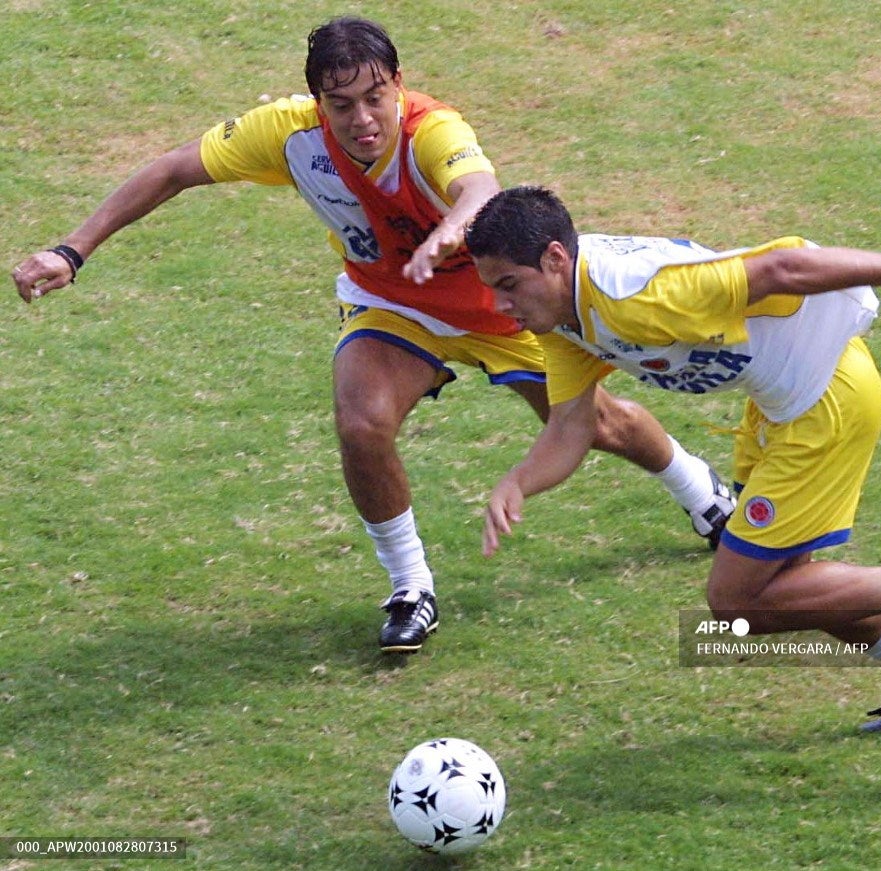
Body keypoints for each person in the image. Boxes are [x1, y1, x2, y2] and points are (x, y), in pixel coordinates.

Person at [10, 17, 734, 655]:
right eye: (342, 103)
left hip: (495, 307)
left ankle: (700, 490)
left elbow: (480, 192)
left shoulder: (434, 132)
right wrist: (72, 250)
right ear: (318, 101)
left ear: (398, 86)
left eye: (375, 97)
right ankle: (409, 586)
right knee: (362, 420)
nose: (362, 118)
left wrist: (451, 230)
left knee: (593, 422)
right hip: (390, 304)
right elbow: (173, 169)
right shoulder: (292, 138)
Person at [465, 185, 881, 732]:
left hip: (823, 403)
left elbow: (781, 267)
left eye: (508, 285)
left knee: (735, 603)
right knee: (789, 585)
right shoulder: (562, 320)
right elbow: (572, 424)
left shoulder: (633, 294)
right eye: (491, 288)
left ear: (556, 258)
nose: (499, 305)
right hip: (778, 408)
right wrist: (518, 481)